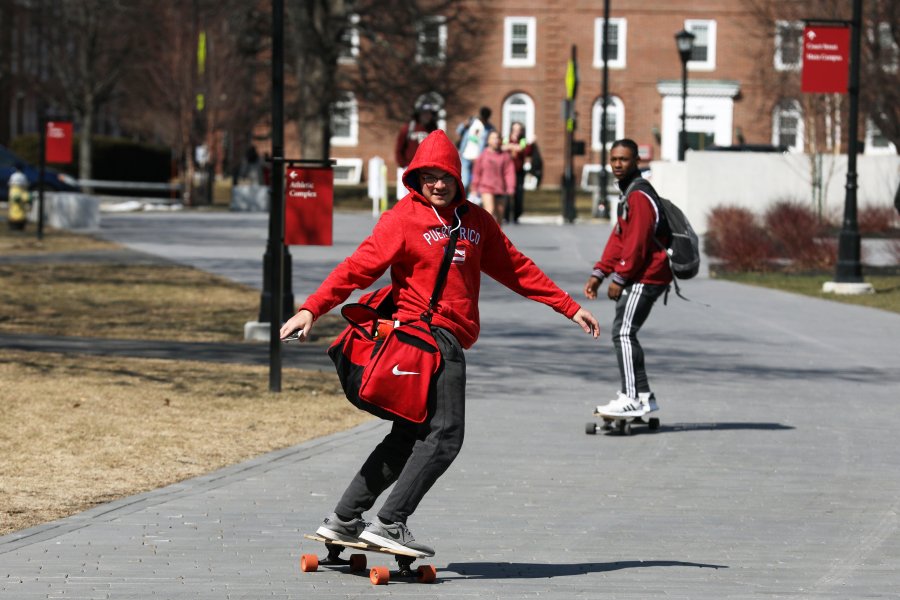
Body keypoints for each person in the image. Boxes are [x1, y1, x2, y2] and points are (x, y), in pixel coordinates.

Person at [281, 130, 599, 556]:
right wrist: (312, 309)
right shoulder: (402, 218)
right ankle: (389, 523)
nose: (437, 184)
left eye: (445, 175)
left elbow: (517, 268)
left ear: (458, 176)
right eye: (427, 175)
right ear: (415, 177)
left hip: (443, 339)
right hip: (426, 342)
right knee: (446, 434)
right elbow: (356, 267)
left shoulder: (476, 222)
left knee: (410, 436)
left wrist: (568, 307)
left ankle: (343, 519)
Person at [583, 138, 672, 418]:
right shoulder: (629, 193)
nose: (618, 165)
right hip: (643, 273)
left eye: (624, 159)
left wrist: (619, 278)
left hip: (649, 274)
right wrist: (599, 272)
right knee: (625, 331)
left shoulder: (638, 195)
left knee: (622, 332)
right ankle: (644, 396)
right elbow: (619, 238)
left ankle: (631, 397)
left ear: (636, 162)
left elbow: (638, 242)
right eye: (614, 160)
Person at [470, 130, 515, 225]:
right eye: (493, 138)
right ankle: (487, 237)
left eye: (497, 138)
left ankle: (498, 238)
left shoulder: (505, 156)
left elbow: (509, 173)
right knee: (489, 212)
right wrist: (474, 187)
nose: (496, 140)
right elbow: (477, 172)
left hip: (500, 188)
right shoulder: (483, 155)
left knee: (499, 217)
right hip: (486, 187)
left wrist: (511, 188)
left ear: (501, 140)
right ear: (488, 141)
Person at [502, 121, 534, 224]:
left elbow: (524, 150)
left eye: (519, 130)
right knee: (507, 194)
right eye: (515, 129)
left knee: (518, 194)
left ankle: (516, 215)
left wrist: (511, 146)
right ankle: (505, 215)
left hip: (518, 171)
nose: (516, 132)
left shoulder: (523, 140)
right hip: (506, 172)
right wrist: (512, 146)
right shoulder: (506, 139)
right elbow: (502, 148)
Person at [456, 106, 494, 190]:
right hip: (465, 156)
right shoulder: (471, 122)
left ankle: (471, 201)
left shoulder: (489, 128)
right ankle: (462, 200)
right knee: (464, 182)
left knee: (475, 184)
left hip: (478, 159)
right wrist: (464, 125)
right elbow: (458, 131)